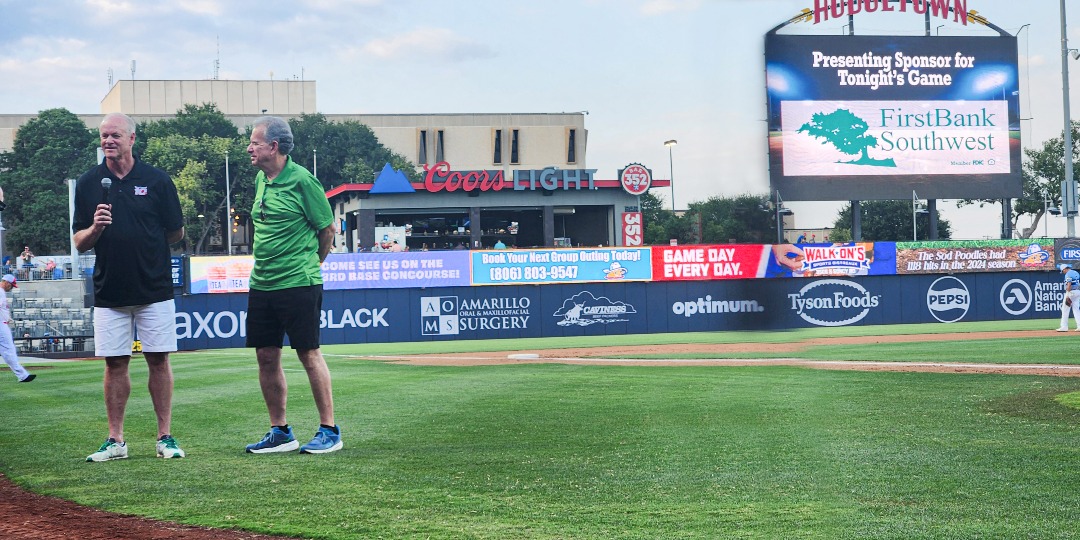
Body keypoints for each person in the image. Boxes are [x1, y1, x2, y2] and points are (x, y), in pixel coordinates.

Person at [73, 112, 186, 462]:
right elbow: (79, 241)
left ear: (132, 138)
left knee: (158, 360)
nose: (108, 141)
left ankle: (165, 437)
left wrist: (147, 247)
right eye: (104, 136)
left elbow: (176, 232)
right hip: (110, 290)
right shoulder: (89, 182)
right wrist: (96, 228)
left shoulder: (157, 180)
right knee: (115, 365)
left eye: (115, 135)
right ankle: (116, 441)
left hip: (153, 288)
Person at [244, 116, 342, 455]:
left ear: (273, 147)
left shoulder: (303, 181)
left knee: (308, 353)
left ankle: (330, 430)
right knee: (266, 355)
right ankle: (280, 431)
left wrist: (314, 264)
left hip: (299, 281)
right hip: (262, 283)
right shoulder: (261, 179)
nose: (249, 148)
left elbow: (327, 229)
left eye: (254, 142)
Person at [0, 274, 36, 383]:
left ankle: (23, 375)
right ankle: (23, 375)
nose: (11, 288)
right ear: (6, 282)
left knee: (8, 350)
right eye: (11, 285)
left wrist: (6, 317)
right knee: (9, 350)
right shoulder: (0, 291)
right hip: (1, 325)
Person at [1057, 263, 1080, 332]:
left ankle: (1064, 327)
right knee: (1076, 310)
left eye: (1062, 271)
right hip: (1078, 292)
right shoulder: (1076, 272)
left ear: (1065, 269)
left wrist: (1068, 293)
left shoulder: (1068, 274)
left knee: (1065, 309)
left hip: (1071, 292)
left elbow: (1069, 284)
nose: (1063, 272)